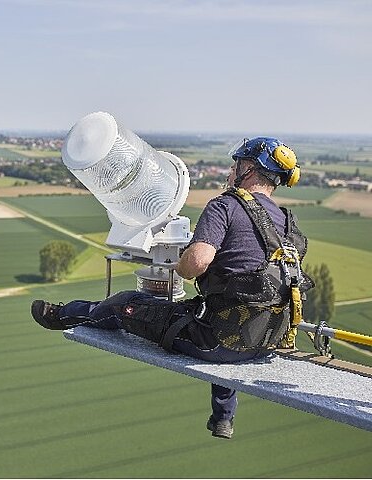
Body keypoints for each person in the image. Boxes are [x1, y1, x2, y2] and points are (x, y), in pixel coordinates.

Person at [30, 137, 314, 440]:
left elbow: (197, 262)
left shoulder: (226, 206)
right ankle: (223, 418)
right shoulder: (286, 224)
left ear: (248, 169)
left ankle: (63, 316)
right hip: (267, 341)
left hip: (219, 343)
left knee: (124, 303)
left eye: (236, 164)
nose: (232, 171)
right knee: (229, 316)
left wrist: (181, 266)